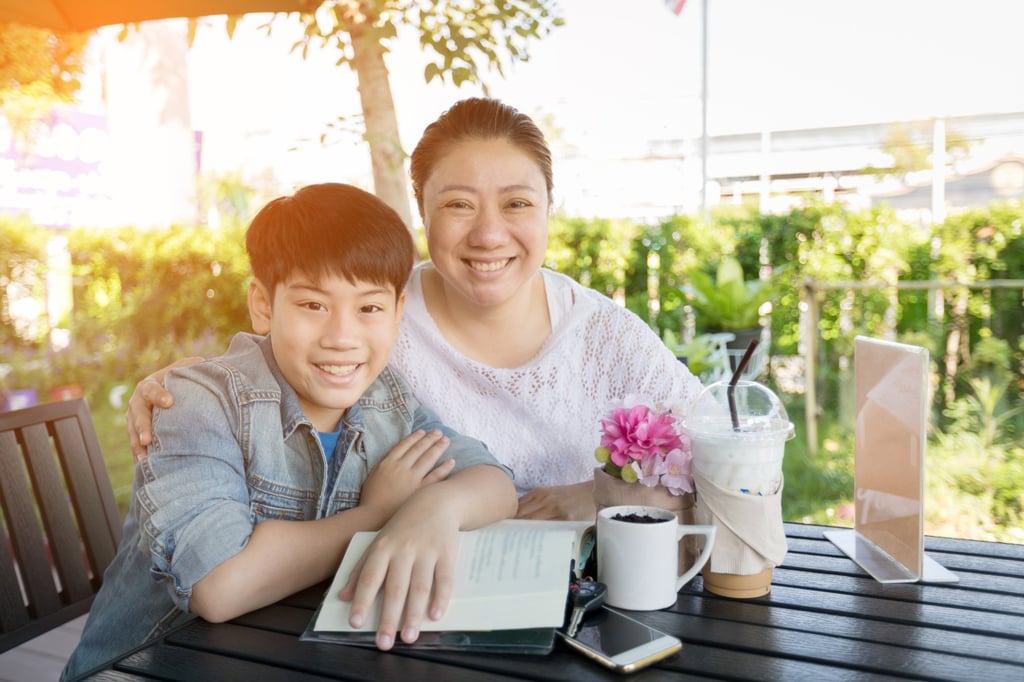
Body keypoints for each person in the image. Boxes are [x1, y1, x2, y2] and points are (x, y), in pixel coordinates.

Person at [126, 97, 703, 523]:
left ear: (549, 209)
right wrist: (175, 385)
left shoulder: (604, 333)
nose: (488, 233)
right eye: (457, 204)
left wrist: (595, 492)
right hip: (412, 589)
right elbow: (281, 356)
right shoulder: (379, 312)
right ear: (421, 213)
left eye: (517, 203)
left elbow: (723, 445)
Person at [63, 183, 516, 680]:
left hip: (285, 657)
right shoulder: (197, 403)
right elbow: (218, 586)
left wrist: (435, 507)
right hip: (146, 668)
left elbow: (493, 483)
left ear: (397, 312)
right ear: (262, 305)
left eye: (369, 308)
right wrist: (381, 512)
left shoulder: (385, 397)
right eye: (313, 306)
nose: (343, 337)